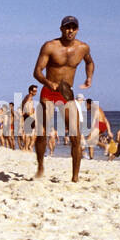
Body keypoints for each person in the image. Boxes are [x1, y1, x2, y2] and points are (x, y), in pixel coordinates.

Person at [32, 16, 94, 181]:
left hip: (67, 93)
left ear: (77, 29)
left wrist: (89, 78)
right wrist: (47, 81)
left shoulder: (83, 47)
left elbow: (89, 62)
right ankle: (40, 166)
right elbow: (37, 71)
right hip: (49, 92)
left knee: (76, 136)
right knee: (41, 133)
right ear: (61, 29)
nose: (70, 31)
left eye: (73, 27)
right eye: (67, 27)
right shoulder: (50, 46)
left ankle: (75, 177)